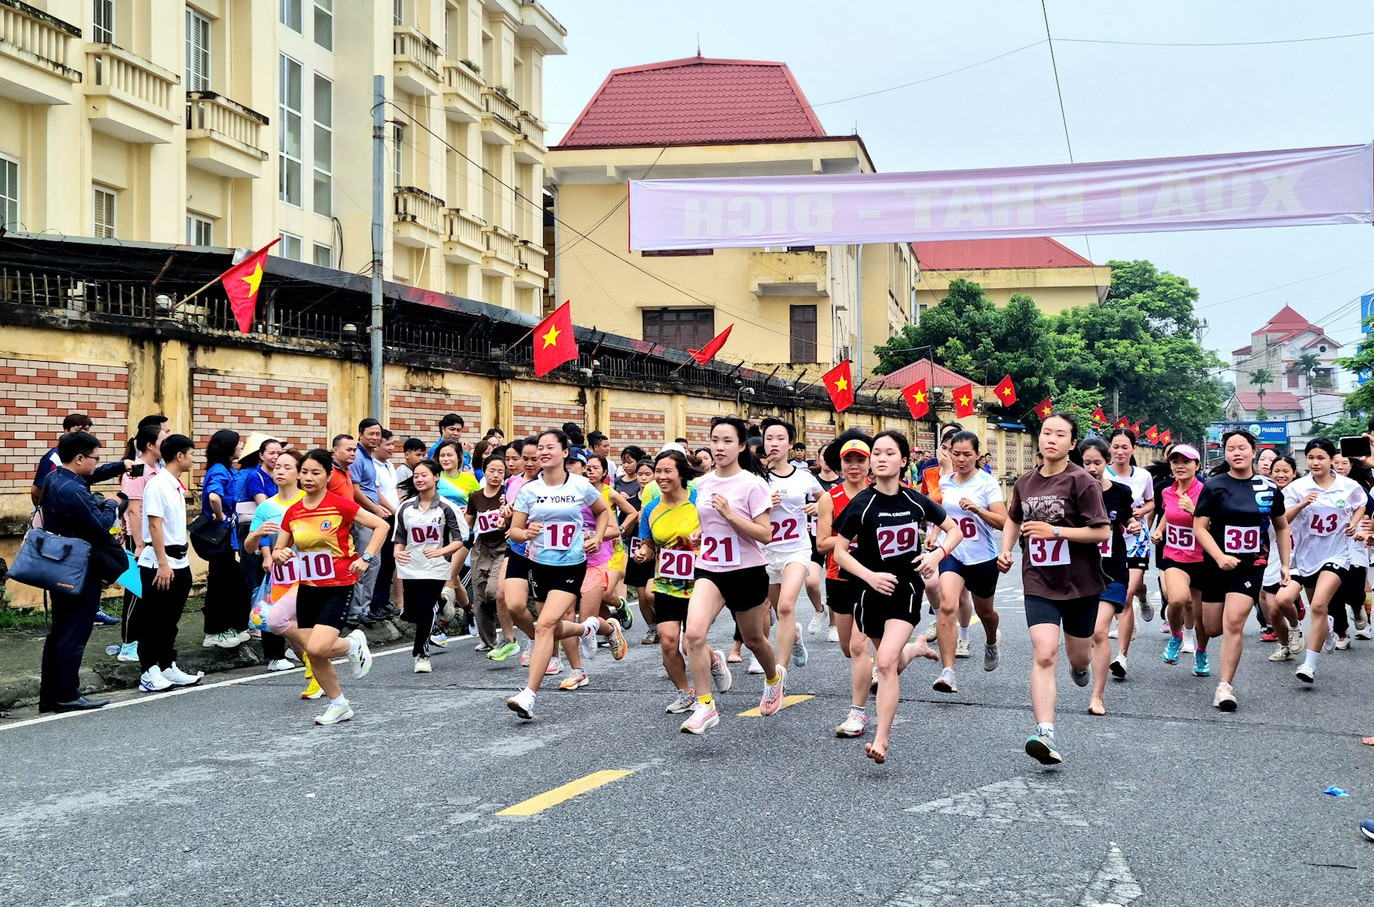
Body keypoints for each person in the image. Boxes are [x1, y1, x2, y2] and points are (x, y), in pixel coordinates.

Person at [833, 430, 960, 763]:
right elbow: (839, 551)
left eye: (889, 453)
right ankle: (915, 649)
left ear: (904, 461)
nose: (881, 458)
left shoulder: (915, 500)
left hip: (906, 591)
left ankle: (881, 739)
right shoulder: (861, 504)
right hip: (870, 592)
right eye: (877, 453)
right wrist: (869, 576)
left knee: (885, 662)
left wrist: (936, 555)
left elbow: (954, 530)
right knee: (891, 659)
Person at [998, 412, 1110, 766]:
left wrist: (1056, 532)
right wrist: (1006, 548)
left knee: (1078, 656)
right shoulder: (1025, 482)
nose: (1051, 439)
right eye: (1047, 432)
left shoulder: (1082, 482)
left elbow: (1102, 532)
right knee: (1045, 652)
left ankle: (1081, 668)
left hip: (1080, 584)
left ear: (1072, 443)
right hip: (1039, 581)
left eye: (1060, 434)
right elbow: (1014, 518)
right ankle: (1045, 732)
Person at [504, 429, 626, 720]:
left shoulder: (581, 485)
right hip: (539, 566)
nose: (544, 452)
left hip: (571, 566)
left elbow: (602, 513)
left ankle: (529, 695)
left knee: (545, 625)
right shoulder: (529, 490)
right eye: (540, 448)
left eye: (550, 447)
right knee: (555, 629)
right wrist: (526, 533)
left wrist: (596, 538)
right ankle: (593, 628)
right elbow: (515, 531)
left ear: (564, 452)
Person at [678, 416, 785, 736]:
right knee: (693, 635)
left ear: (741, 446)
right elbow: (708, 522)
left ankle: (773, 678)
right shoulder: (706, 482)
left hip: (747, 571)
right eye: (715, 440)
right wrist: (699, 532)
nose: (720, 446)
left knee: (754, 639)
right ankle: (705, 706)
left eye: (727, 441)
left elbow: (764, 534)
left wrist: (729, 514)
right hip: (711, 568)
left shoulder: (753, 485)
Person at [273, 449, 388, 725]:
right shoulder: (294, 512)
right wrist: (279, 554)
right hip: (308, 588)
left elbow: (381, 525)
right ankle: (339, 705)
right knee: (313, 652)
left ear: (327, 476)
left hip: (338, 585)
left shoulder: (341, 505)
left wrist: (366, 557)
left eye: (316, 473)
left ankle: (352, 644)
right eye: (304, 472)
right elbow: (279, 548)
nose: (308, 478)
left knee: (318, 649)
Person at [1193, 432, 1291, 709]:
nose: (1236, 452)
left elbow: (1282, 527)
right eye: (1230, 448)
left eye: (1242, 448)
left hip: (1250, 566)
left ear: (1253, 451)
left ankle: (1224, 687)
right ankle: (1204, 649)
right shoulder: (1214, 486)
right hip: (1215, 564)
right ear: (1224, 453)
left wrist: (1285, 564)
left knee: (1234, 623)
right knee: (1212, 628)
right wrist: (1219, 555)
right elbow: (1199, 526)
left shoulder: (1268, 488)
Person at [36, 431, 121, 712]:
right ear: (80, 458)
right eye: (95, 459)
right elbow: (100, 525)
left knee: (60, 631)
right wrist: (111, 503)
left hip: (59, 564)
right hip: (80, 567)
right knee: (75, 632)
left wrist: (120, 467)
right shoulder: (73, 489)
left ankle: (50, 695)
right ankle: (67, 694)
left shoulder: (54, 478)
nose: (97, 464)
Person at [1276, 438, 1365, 684]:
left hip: (1337, 553)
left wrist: (1354, 523)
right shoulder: (1297, 488)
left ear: (1331, 460)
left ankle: (1309, 665)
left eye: (1321, 457)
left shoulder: (1348, 486)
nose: (1315, 462)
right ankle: (1325, 625)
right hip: (1305, 556)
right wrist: (1303, 503)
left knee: (1317, 605)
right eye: (1311, 457)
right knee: (1294, 602)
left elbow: (1361, 504)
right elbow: (1282, 520)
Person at [634, 449, 712, 714]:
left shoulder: (699, 501)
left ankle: (715, 662)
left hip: (700, 580)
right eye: (658, 471)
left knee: (692, 641)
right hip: (666, 582)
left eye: (668, 471)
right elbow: (648, 544)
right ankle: (685, 692)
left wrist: (702, 537)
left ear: (681, 474)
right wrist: (644, 553)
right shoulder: (650, 511)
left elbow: (717, 531)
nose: (661, 476)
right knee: (668, 641)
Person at [932, 430, 1006, 693]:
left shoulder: (987, 483)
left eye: (967, 454)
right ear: (949, 454)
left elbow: (1003, 521)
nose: (961, 459)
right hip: (953, 553)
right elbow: (940, 515)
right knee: (948, 605)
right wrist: (934, 536)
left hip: (982, 557)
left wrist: (978, 509)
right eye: (956, 454)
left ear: (977, 455)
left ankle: (990, 640)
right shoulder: (944, 482)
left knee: (985, 612)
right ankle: (948, 671)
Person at [132, 434, 204, 692]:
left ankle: (166, 666)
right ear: (180, 456)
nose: (195, 459)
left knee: (170, 620)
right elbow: (154, 524)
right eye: (192, 454)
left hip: (180, 561)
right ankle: (148, 672)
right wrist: (163, 564)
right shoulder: (157, 484)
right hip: (158, 563)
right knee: (152, 619)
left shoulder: (174, 484)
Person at [817, 432, 874, 737]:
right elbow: (822, 543)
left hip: (869, 578)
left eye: (860, 460)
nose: (854, 466)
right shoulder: (830, 498)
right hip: (838, 577)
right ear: (839, 465)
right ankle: (897, 656)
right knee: (846, 647)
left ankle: (857, 713)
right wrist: (847, 540)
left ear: (870, 464)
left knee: (858, 643)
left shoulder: (879, 494)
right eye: (848, 460)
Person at [1077, 438, 1137, 716]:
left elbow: (1126, 519)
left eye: (1097, 463)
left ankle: (1097, 696)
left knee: (1100, 631)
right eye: (1086, 463)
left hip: (1112, 572)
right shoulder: (1072, 492)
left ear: (1106, 463)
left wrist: (1132, 524)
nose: (1091, 468)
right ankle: (1079, 662)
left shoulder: (1120, 492)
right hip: (1078, 572)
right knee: (1082, 639)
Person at [760, 417, 824, 673]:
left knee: (786, 605)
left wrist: (818, 507)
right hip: (766, 551)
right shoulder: (755, 478)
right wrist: (764, 505)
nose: (774, 443)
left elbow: (828, 499)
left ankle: (779, 672)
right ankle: (794, 635)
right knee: (772, 607)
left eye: (780, 438)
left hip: (796, 549)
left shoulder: (804, 477)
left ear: (790, 444)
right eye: (769, 438)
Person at [393, 459, 466, 674]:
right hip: (411, 566)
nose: (419, 479)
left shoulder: (447, 507)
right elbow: (399, 538)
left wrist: (441, 552)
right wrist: (398, 553)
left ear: (436, 477)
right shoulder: (405, 507)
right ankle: (443, 603)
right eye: (416, 475)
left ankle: (421, 654)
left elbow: (459, 540)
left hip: (436, 566)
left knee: (425, 608)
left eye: (424, 475)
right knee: (410, 612)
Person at [245, 451, 312, 684]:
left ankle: (321, 668)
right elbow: (247, 546)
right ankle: (315, 670)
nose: (280, 471)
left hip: (308, 575)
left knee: (303, 627)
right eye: (276, 467)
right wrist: (257, 534)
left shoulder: (309, 501)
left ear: (299, 473)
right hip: (280, 577)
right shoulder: (266, 507)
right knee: (291, 633)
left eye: (287, 467)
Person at [115, 421, 169, 662]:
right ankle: (129, 644)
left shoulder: (157, 469)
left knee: (152, 592)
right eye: (163, 439)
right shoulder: (136, 470)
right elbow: (134, 509)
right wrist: (138, 544)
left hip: (153, 540)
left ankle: (145, 639)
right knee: (137, 592)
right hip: (140, 541)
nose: (167, 442)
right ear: (149, 445)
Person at [1153, 444, 1209, 675]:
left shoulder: (1207, 491)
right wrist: (1160, 530)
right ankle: (1176, 637)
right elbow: (1168, 511)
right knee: (1176, 600)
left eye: (1186, 461)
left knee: (1199, 613)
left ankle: (1202, 653)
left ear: (1196, 465)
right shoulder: (1167, 491)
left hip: (1201, 558)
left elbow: (1215, 526)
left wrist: (1194, 510)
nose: (1180, 466)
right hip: (1174, 555)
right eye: (1175, 461)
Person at [1105, 428, 1156, 659]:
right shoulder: (1100, 474)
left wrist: (1139, 512)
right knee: (1120, 591)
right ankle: (1134, 607)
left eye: (1125, 447)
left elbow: (1151, 502)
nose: (1120, 451)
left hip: (1137, 537)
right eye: (1115, 446)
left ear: (1133, 449)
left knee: (1128, 593)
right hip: (1109, 540)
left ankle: (1122, 657)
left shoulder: (1143, 476)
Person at [201, 429, 249, 650]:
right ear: (229, 447)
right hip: (219, 537)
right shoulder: (219, 470)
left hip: (228, 538)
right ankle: (213, 632)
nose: (241, 447)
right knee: (220, 583)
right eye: (239, 444)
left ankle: (227, 627)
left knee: (231, 581)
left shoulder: (228, 468)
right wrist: (221, 517)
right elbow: (213, 496)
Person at [348, 419, 394, 626]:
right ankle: (357, 611)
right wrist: (375, 510)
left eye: (378, 434)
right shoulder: (357, 457)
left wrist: (386, 510)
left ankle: (365, 607)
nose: (375, 438)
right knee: (365, 562)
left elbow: (372, 490)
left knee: (374, 563)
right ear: (360, 434)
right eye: (371, 434)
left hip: (374, 518)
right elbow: (355, 491)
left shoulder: (369, 458)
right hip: (364, 519)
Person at [466, 452, 509, 651]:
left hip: (503, 548)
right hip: (481, 548)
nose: (496, 475)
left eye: (500, 471)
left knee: (493, 591)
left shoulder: (508, 495)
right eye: (492, 470)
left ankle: (504, 624)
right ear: (484, 472)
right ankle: (489, 640)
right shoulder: (475, 497)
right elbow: (468, 523)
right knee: (480, 596)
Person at [369, 429, 402, 622]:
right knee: (379, 562)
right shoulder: (372, 466)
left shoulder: (389, 465)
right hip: (383, 516)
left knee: (390, 561)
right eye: (388, 444)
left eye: (392, 444)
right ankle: (375, 602)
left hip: (395, 516)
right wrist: (393, 510)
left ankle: (383, 600)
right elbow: (377, 493)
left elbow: (394, 489)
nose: (391, 448)